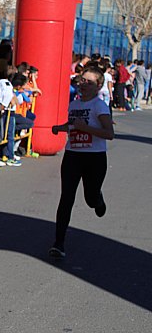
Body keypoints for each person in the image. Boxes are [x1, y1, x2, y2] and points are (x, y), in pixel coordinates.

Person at [49, 67, 114, 259]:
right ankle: (58, 243)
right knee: (66, 198)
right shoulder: (74, 105)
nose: (83, 84)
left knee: (90, 198)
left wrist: (85, 127)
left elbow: (109, 134)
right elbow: (73, 126)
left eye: (88, 82)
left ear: (98, 86)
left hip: (94, 157)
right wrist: (58, 128)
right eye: (81, 81)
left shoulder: (99, 106)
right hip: (73, 155)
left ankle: (98, 199)